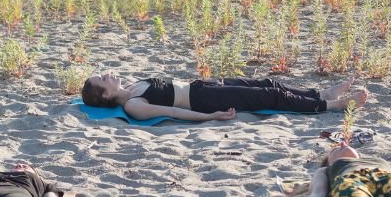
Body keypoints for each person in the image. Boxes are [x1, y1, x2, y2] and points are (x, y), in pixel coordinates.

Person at [80, 72, 369, 122]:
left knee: (267, 82)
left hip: (202, 86)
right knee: (269, 96)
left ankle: (319, 92)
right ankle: (329, 105)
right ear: (106, 95)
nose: (108, 75)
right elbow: (175, 114)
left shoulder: (131, 86)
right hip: (205, 102)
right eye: (103, 80)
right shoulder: (133, 105)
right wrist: (210, 116)